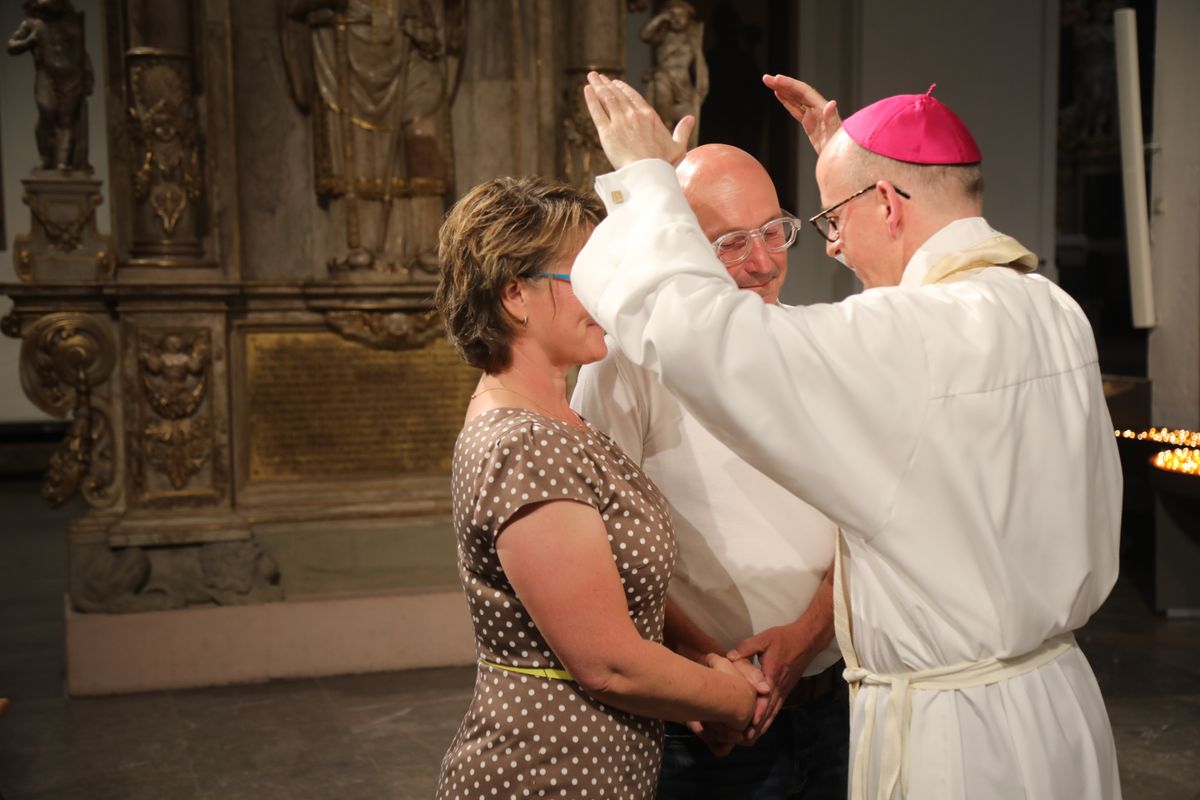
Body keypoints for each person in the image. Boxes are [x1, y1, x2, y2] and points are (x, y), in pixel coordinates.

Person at [572, 71, 1123, 800]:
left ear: (890, 206)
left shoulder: (904, 339)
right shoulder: (1051, 309)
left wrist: (643, 184)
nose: (830, 248)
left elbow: (698, 336)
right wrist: (852, 164)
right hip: (1058, 706)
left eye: (831, 220)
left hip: (958, 738)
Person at [433, 175, 761, 800]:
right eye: (585, 278)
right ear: (514, 295)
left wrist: (697, 671)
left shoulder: (559, 420)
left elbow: (617, 600)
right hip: (545, 776)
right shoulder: (522, 442)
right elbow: (608, 662)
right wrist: (736, 700)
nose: (608, 296)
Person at [570, 143, 848, 799]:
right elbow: (601, 546)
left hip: (832, 698)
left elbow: (871, 521)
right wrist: (708, 666)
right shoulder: (625, 362)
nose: (762, 263)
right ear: (680, 244)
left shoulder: (828, 344)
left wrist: (808, 636)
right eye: (730, 243)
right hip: (705, 720)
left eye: (773, 232)